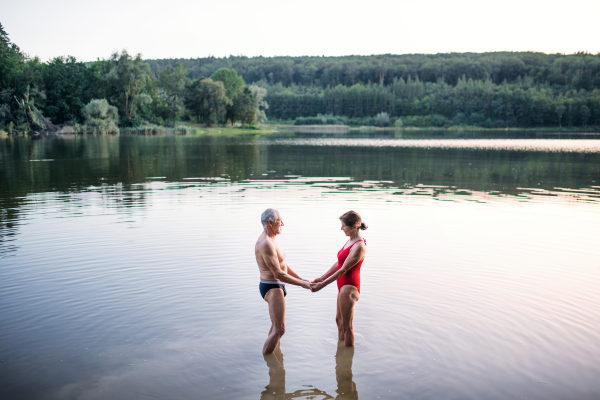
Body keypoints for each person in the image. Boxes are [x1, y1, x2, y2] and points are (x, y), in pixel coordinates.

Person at [255, 208, 312, 354]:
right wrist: (303, 284)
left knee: (276, 328)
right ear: (270, 222)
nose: (283, 224)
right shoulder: (266, 243)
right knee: (280, 329)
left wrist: (301, 279)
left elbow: (283, 265)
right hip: (272, 286)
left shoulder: (273, 240)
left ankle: (275, 359)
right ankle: (267, 361)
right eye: (280, 222)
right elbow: (278, 274)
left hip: (276, 285)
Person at [311, 211, 367, 347]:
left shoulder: (359, 246)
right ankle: (341, 359)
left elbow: (343, 270)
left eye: (344, 226)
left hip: (349, 286)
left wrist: (322, 285)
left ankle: (348, 360)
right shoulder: (350, 240)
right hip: (342, 285)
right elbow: (339, 263)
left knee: (347, 326)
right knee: (339, 321)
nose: (341, 228)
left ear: (355, 226)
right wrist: (321, 277)